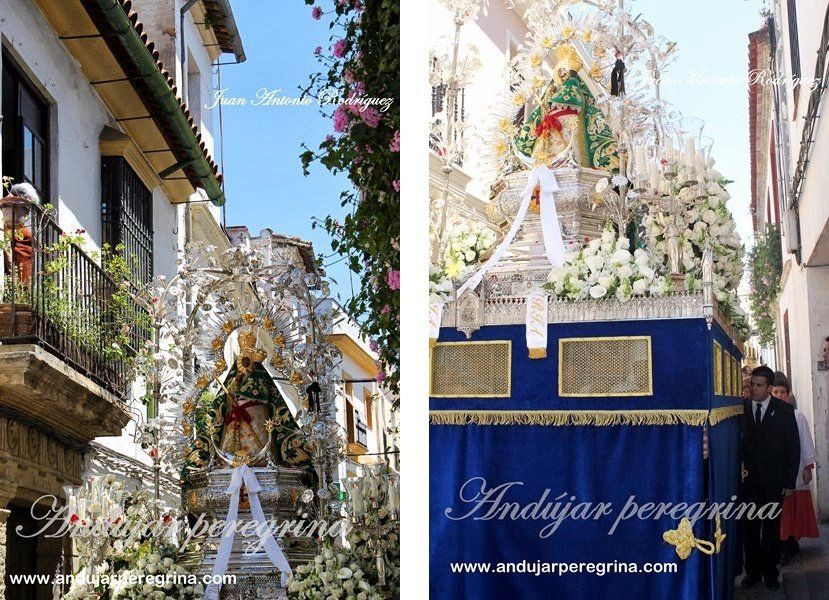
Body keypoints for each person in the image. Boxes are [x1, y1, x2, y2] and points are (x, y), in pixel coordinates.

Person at [740, 365, 800, 590]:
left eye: (759, 385)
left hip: (774, 483)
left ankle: (771, 574)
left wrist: (789, 481)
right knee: (750, 530)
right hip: (748, 483)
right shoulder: (741, 410)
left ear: (769, 387)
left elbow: (793, 447)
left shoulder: (784, 411)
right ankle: (752, 573)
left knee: (772, 530)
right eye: (752, 384)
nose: (753, 389)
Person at [771, 376, 819, 564]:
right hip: (775, 472)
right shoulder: (769, 415)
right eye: (776, 392)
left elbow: (806, 441)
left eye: (782, 392)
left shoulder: (797, 416)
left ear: (788, 393)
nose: (779, 395)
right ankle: (782, 543)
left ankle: (791, 542)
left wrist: (808, 466)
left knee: (792, 510)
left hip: (795, 470)